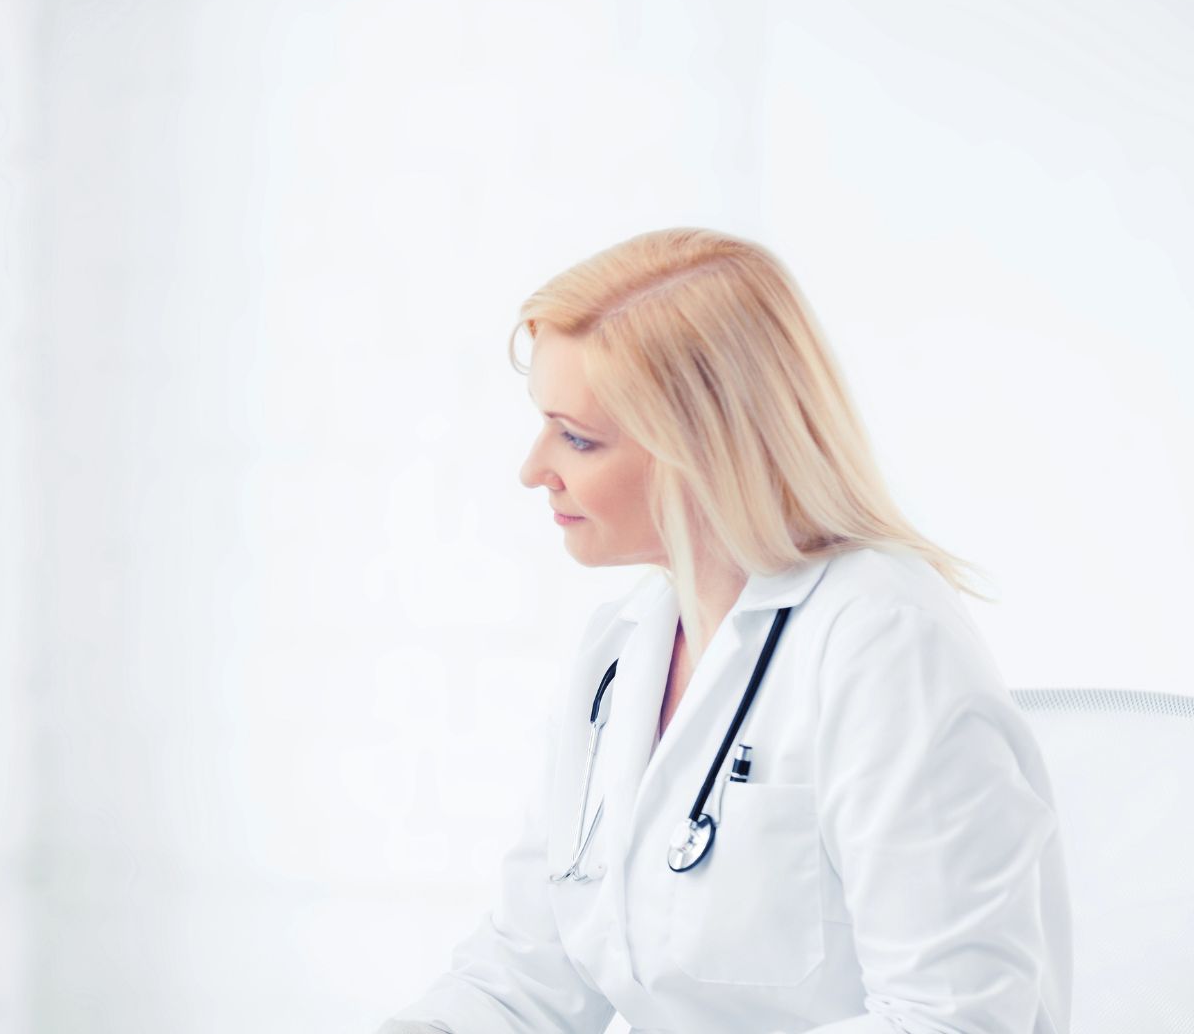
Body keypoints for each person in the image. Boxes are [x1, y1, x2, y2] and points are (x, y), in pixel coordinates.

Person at [378, 229, 1071, 1033]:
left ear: (700, 448)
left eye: (577, 437)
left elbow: (955, 1021)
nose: (533, 469)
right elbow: (526, 979)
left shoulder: (883, 643)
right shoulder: (621, 649)